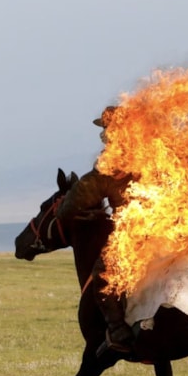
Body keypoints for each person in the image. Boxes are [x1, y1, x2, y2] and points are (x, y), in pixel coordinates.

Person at [58, 105, 137, 358]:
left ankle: (117, 331)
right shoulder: (154, 150)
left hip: (137, 232)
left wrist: (65, 211)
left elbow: (82, 194)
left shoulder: (113, 161)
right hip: (175, 227)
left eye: (106, 128)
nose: (103, 134)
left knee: (103, 273)